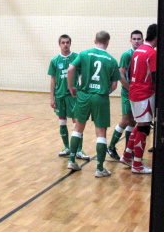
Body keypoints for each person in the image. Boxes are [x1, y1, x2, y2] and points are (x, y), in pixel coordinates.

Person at [66, 31, 121, 178]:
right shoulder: (111, 60)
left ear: (95, 40)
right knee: (101, 133)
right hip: (100, 97)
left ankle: (72, 160)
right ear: (107, 42)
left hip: (83, 95)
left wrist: (71, 87)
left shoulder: (84, 54)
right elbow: (115, 85)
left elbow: (71, 69)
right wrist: (103, 91)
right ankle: (100, 168)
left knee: (78, 128)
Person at [119, 24, 158, 174]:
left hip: (134, 92)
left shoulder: (138, 51)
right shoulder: (151, 53)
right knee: (144, 127)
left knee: (140, 124)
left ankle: (127, 155)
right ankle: (137, 164)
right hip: (145, 94)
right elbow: (155, 77)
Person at [47, 34, 90, 160]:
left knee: (77, 122)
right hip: (60, 96)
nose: (65, 45)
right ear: (59, 44)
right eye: (63, 43)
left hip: (73, 96)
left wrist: (82, 91)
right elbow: (53, 80)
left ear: (70, 43)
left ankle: (79, 150)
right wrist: (51, 97)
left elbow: (83, 75)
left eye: (67, 42)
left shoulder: (76, 58)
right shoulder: (55, 60)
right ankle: (67, 147)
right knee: (62, 121)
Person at [106, 30, 143, 160]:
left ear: (142, 40)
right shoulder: (127, 55)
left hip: (138, 93)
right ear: (130, 40)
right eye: (134, 39)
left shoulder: (142, 53)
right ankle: (110, 146)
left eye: (139, 39)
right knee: (126, 120)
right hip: (128, 93)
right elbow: (120, 75)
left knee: (133, 121)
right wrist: (130, 89)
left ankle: (128, 150)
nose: (137, 41)